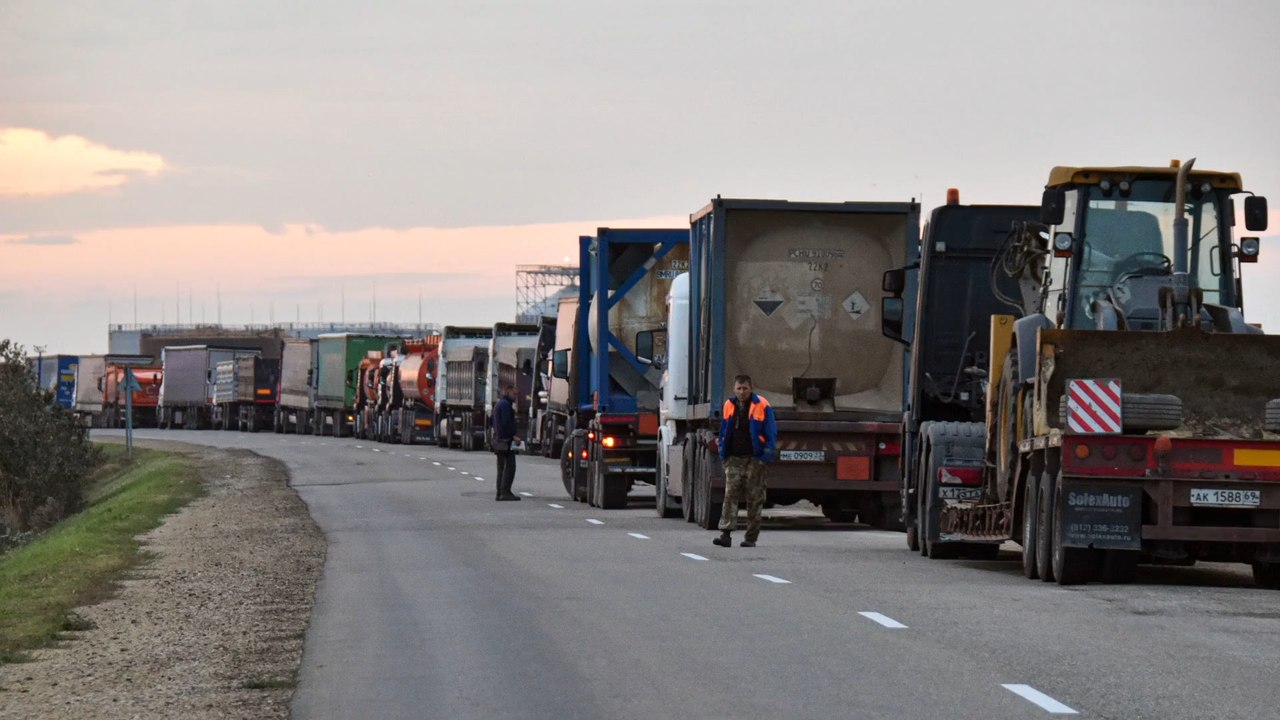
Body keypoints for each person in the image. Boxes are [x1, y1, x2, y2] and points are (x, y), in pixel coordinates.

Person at [712, 374, 777, 548]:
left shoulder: (762, 405)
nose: (742, 392)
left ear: (751, 388)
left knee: (754, 498)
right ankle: (725, 534)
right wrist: (723, 454)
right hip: (733, 458)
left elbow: (771, 432)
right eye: (739, 389)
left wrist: (766, 456)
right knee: (730, 495)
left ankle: (750, 538)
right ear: (734, 389)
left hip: (754, 459)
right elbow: (724, 430)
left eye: (745, 388)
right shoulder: (729, 405)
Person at [492, 384, 522, 501]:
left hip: (499, 440)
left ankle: (499, 492)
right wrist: (513, 436)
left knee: (501, 468)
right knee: (510, 467)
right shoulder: (505, 405)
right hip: (505, 441)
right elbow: (506, 423)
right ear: (508, 391)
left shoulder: (500, 403)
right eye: (514, 394)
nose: (515, 396)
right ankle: (505, 492)